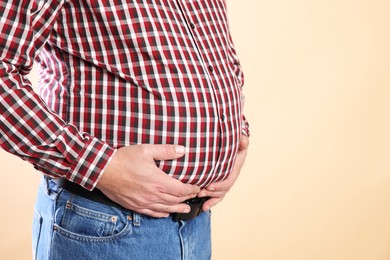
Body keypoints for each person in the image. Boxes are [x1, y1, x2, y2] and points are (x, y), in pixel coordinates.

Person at [0, 0, 249, 259]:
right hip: (104, 222)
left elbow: (215, 53)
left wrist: (235, 134)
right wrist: (99, 166)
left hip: (197, 222)